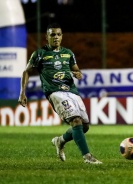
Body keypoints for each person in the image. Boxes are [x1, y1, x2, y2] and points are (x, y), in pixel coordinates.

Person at [18, 23, 102, 164]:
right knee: (75, 120)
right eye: (52, 35)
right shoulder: (40, 54)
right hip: (54, 92)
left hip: (71, 91)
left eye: (58, 34)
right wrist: (22, 92)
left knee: (84, 126)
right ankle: (88, 157)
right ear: (47, 37)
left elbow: (76, 70)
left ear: (62, 36)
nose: (56, 37)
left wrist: (78, 74)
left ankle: (60, 141)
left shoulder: (68, 53)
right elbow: (26, 71)